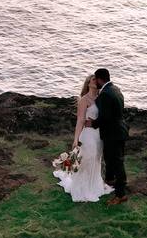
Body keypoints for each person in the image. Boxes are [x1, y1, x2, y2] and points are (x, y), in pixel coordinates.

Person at [53, 74, 114, 202]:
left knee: (96, 159)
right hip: (88, 135)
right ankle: (82, 187)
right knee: (87, 159)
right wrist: (75, 139)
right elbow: (80, 121)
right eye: (93, 80)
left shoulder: (102, 98)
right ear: (88, 84)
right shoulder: (84, 100)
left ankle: (93, 186)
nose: (95, 81)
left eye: (97, 80)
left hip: (99, 136)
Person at [85, 68, 129, 205]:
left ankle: (120, 194)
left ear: (99, 79)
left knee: (117, 163)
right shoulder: (115, 89)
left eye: (95, 80)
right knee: (111, 159)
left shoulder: (105, 95)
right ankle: (110, 180)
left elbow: (105, 117)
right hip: (120, 130)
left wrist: (93, 123)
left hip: (113, 133)